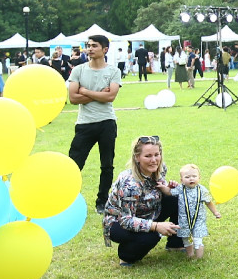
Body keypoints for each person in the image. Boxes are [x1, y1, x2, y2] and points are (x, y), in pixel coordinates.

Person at [102, 135, 180, 265]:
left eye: (157, 154)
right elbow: (126, 220)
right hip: (119, 223)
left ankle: (176, 243)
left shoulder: (160, 169)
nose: (154, 160)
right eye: (148, 156)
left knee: (176, 197)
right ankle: (126, 255)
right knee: (151, 237)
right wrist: (156, 226)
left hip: (148, 212)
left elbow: (157, 188)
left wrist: (168, 189)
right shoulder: (130, 185)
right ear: (137, 157)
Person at [67, 34, 122, 214]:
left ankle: (102, 201)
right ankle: (66, 198)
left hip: (107, 122)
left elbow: (110, 97)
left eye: (94, 46)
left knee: (107, 165)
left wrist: (85, 91)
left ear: (105, 49)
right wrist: (98, 93)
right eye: (88, 45)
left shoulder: (113, 71)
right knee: (74, 164)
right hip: (84, 124)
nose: (90, 49)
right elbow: (73, 98)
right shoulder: (78, 70)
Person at [172, 163, 220, 259]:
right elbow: (169, 192)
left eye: (194, 176)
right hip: (184, 220)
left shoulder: (201, 190)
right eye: (187, 177)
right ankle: (190, 255)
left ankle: (199, 258)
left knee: (198, 239)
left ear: (199, 178)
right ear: (181, 180)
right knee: (186, 239)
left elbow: (208, 202)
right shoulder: (180, 189)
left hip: (198, 220)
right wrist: (163, 187)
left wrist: (215, 212)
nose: (191, 179)